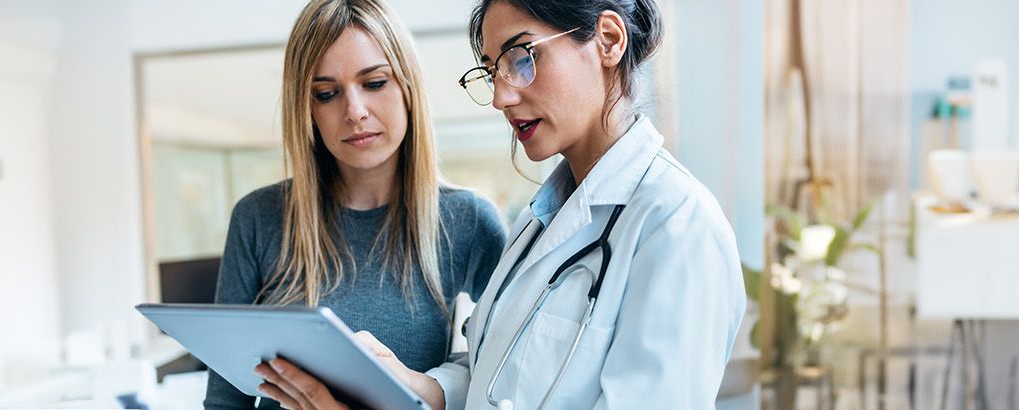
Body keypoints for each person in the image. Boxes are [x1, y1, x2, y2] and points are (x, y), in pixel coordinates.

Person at [255, 0, 746, 408]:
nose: (501, 96)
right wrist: (411, 384)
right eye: (493, 71)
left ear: (609, 41)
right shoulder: (538, 223)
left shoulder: (676, 225)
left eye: (522, 57)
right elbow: (499, 376)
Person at [203, 0, 508, 408]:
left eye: (375, 83)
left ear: (407, 87)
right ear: (307, 109)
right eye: (327, 94)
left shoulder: (468, 221)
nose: (355, 112)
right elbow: (225, 400)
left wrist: (431, 388)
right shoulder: (259, 218)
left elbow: (505, 372)